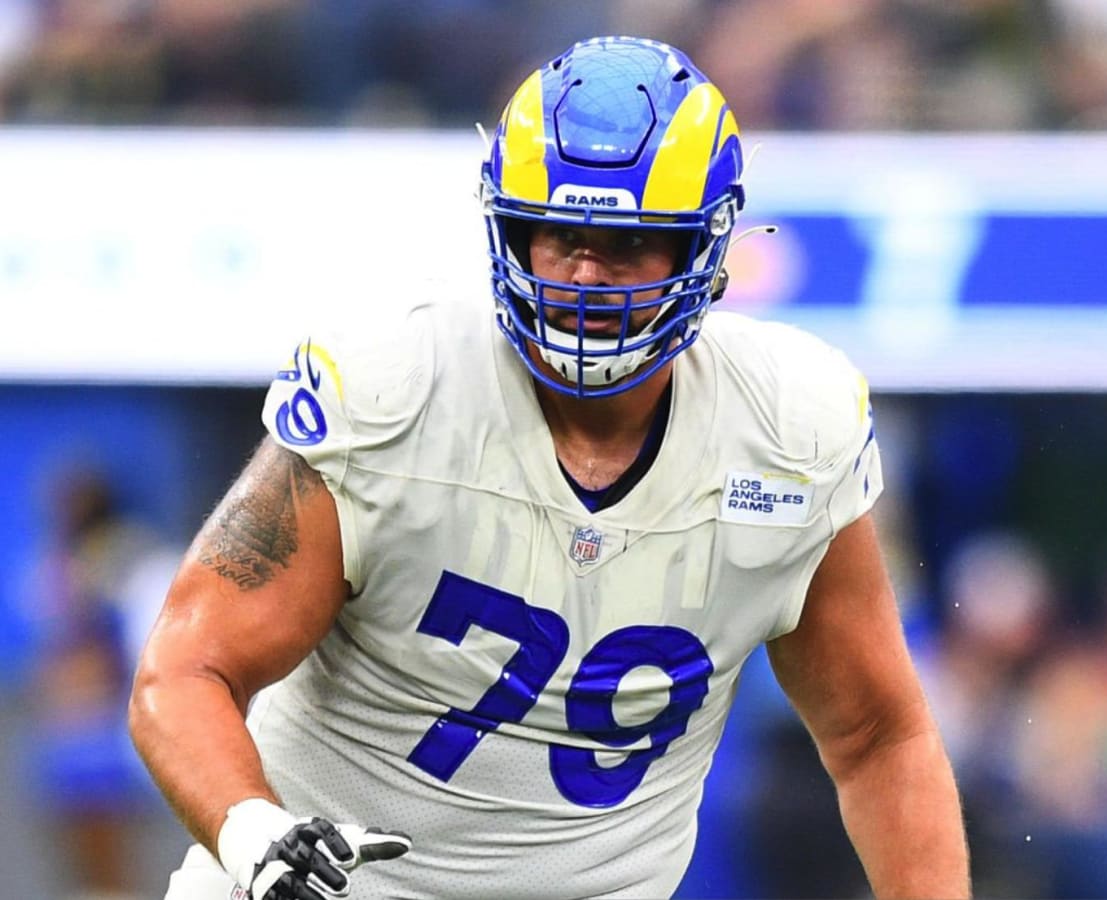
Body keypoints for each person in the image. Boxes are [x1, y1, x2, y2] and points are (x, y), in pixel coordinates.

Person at [129, 35, 970, 899]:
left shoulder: (791, 430)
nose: (581, 275)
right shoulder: (393, 386)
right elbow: (186, 670)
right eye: (557, 234)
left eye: (625, 244)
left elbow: (877, 734)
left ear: (704, 252)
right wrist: (254, 831)